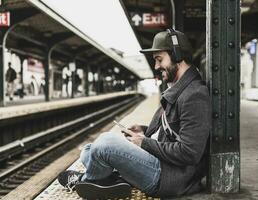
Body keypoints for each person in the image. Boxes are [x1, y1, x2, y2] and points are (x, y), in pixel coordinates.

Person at [58, 29, 211, 199]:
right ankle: (111, 180)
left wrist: (143, 143)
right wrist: (144, 131)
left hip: (167, 177)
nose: (156, 66)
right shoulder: (182, 88)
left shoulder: (195, 94)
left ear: (177, 55)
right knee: (88, 150)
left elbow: (189, 152)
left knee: (104, 145)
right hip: (161, 163)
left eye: (159, 59)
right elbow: (175, 130)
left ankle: (84, 182)